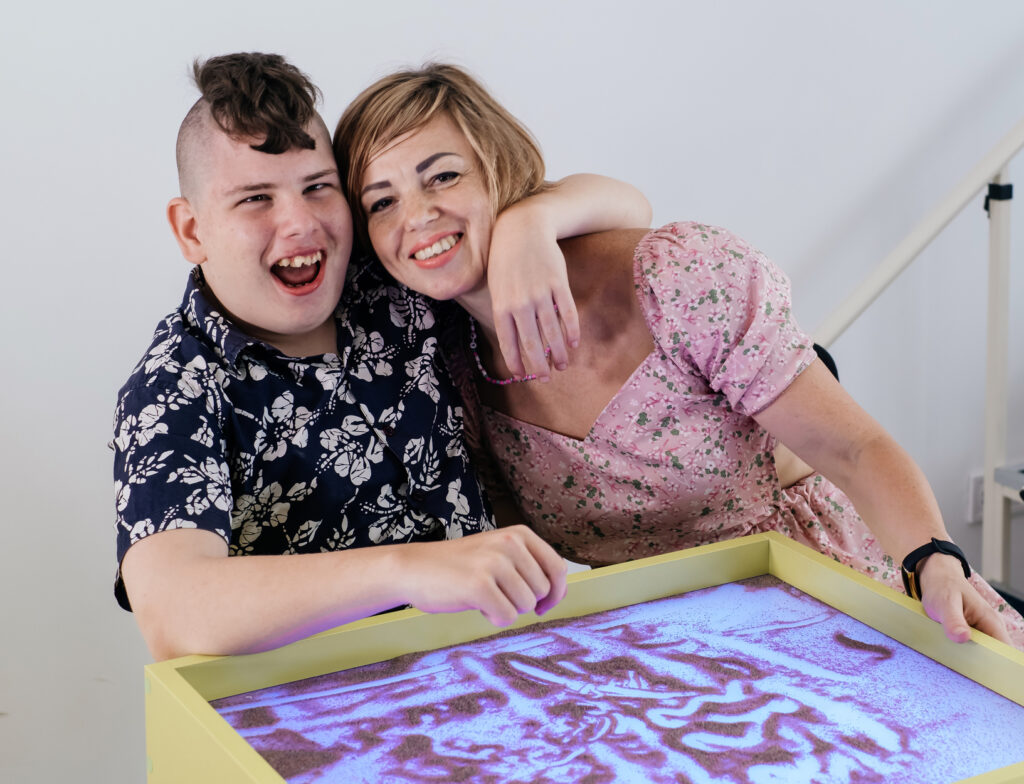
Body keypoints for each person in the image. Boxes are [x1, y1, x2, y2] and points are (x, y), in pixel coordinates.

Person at [333, 63, 1024, 649]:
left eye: (443, 177)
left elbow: (856, 448)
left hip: (822, 594)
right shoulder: (441, 359)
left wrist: (933, 558)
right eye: (381, 200)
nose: (416, 216)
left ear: (499, 170)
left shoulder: (674, 277)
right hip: (667, 647)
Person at [111, 53, 652, 661]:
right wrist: (408, 570)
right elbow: (174, 611)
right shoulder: (173, 386)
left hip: (511, 661)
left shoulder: (391, 280)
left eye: (318, 187)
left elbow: (630, 208)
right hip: (339, 719)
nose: (301, 223)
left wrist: (534, 221)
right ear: (191, 230)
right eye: (255, 199)